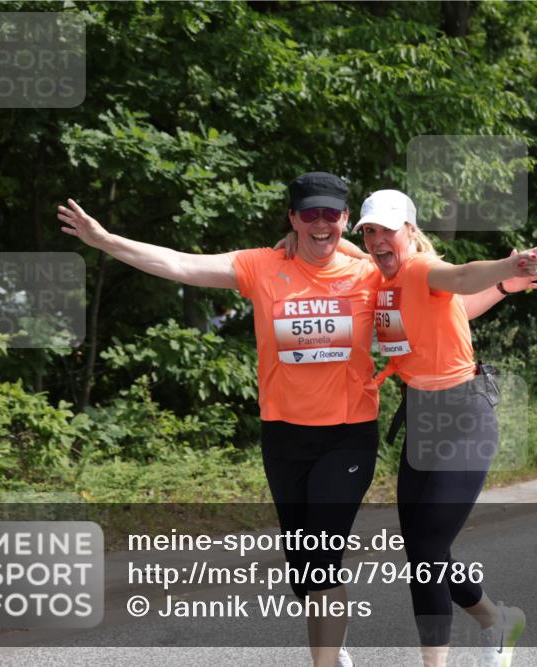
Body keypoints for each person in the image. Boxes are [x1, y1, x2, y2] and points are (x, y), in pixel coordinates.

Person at [59, 172, 379, 667]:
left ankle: (324, 660)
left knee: (322, 558)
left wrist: (502, 280)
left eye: (331, 215)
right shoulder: (262, 266)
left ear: (346, 219)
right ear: (292, 218)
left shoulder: (370, 274)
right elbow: (180, 264)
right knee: (302, 571)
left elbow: (433, 277)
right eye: (309, 214)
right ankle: (332, 649)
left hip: (348, 436)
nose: (321, 223)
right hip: (284, 436)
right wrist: (105, 241)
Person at [354, 190, 537, 667]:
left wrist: (508, 266)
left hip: (464, 418)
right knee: (423, 553)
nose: (377, 240)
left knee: (427, 549)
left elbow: (462, 277)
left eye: (387, 230)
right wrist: (506, 287)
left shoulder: (422, 267)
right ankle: (496, 620)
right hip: (422, 418)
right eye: (369, 231)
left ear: (410, 231)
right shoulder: (382, 279)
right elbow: (457, 308)